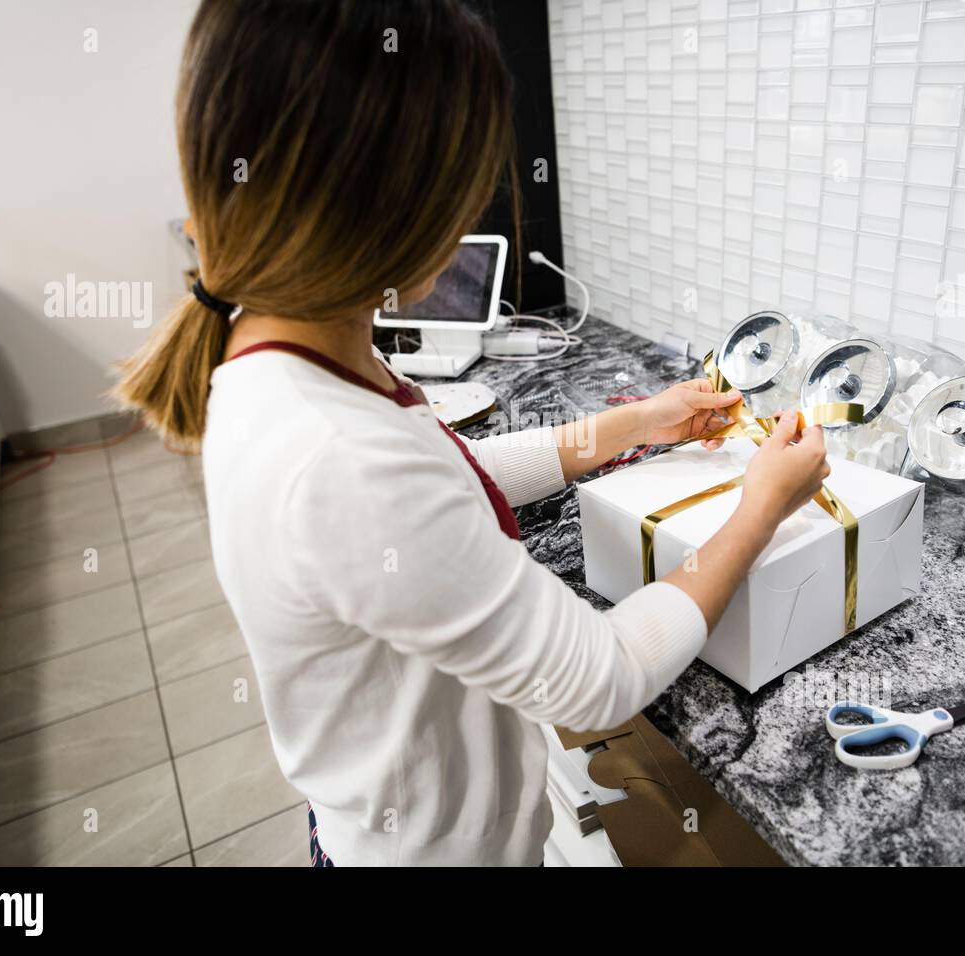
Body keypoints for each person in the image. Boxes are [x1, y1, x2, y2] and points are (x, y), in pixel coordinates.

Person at [115, 0, 828, 866]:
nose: (464, 223)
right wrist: (760, 508)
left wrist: (631, 425)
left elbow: (441, 477)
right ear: (387, 207)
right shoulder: (336, 458)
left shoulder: (286, 347)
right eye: (458, 187)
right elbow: (601, 678)